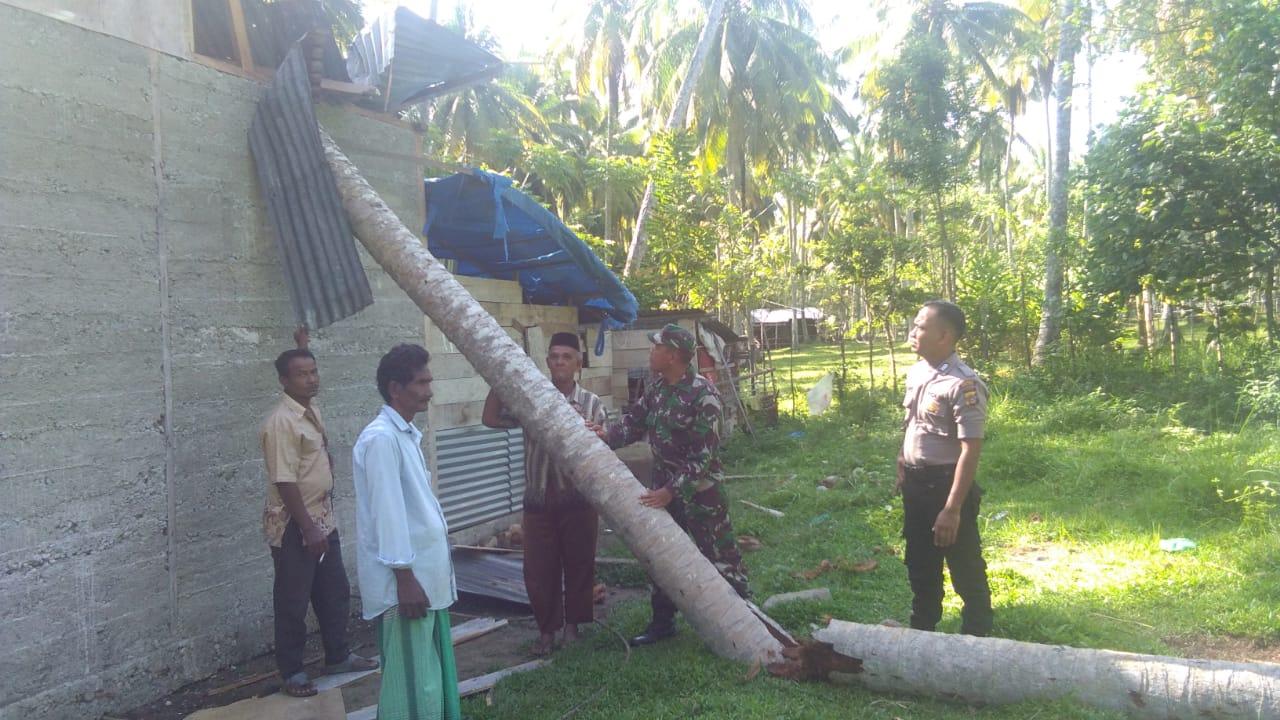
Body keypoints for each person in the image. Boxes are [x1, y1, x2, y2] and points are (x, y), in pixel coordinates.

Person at [601, 323, 749, 646]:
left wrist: (671, 491)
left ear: (672, 355)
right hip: (663, 492)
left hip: (700, 493)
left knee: (719, 556)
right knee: (662, 557)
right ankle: (663, 622)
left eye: (656, 347)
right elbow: (633, 423)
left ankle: (745, 620)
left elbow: (703, 457)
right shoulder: (656, 388)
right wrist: (604, 436)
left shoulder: (704, 395)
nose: (651, 351)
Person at [260, 326, 377, 698]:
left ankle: (338, 655)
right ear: (284, 381)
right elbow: (284, 480)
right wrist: (308, 529)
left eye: (313, 372)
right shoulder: (282, 422)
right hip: (298, 523)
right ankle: (292, 672)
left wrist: (302, 347)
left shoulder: (308, 408)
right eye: (302, 374)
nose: (311, 379)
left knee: (334, 590)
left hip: (323, 518)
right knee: (294, 599)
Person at [482, 332, 607, 656]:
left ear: (578, 363)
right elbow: (491, 418)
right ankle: (546, 634)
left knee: (579, 566)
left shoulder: (592, 404)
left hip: (578, 499)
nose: (560, 362)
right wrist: (502, 376)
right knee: (538, 571)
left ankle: (572, 630)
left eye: (567, 356)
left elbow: (605, 447)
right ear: (547, 362)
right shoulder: (531, 400)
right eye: (554, 357)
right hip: (538, 500)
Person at [353, 343, 461, 720]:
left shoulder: (404, 434)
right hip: (407, 585)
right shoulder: (381, 439)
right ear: (395, 388)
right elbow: (388, 514)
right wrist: (404, 578)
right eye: (422, 382)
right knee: (414, 684)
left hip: (424, 579)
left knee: (429, 676)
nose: (429, 390)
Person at [897, 301, 993, 636]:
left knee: (964, 566)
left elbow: (971, 449)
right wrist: (902, 460)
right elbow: (913, 424)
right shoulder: (917, 372)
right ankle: (922, 631)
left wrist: (952, 509)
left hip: (946, 487)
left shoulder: (963, 385)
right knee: (921, 565)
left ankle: (978, 639)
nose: (913, 332)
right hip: (916, 485)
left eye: (921, 326)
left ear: (944, 335)